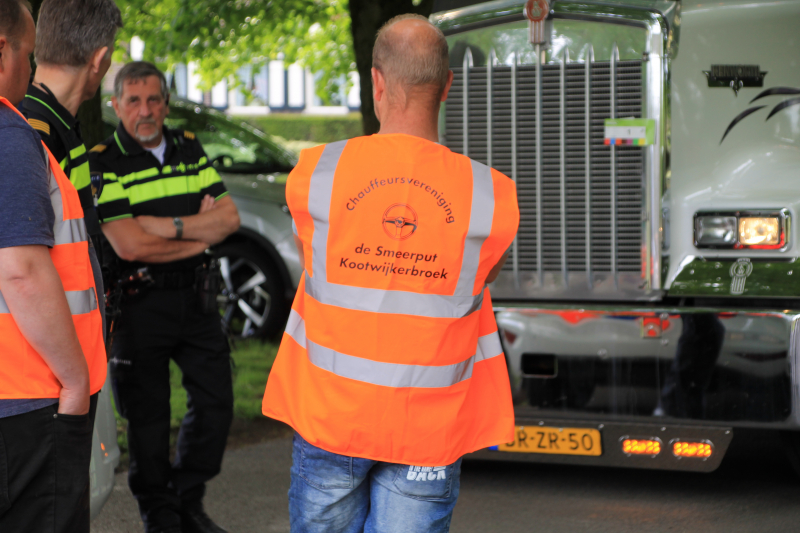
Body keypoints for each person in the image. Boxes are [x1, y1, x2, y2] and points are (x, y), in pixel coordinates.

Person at [262, 14, 520, 533]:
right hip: (428, 427)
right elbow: (484, 274)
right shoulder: (490, 196)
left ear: (376, 82)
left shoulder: (316, 175)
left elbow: (314, 257)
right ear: (446, 86)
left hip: (332, 419)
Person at [90, 61, 240, 533]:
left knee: (216, 405)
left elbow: (229, 218)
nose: (145, 110)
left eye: (153, 99)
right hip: (139, 305)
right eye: (133, 101)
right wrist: (197, 233)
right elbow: (129, 246)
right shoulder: (103, 161)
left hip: (196, 301)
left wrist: (163, 226)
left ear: (166, 104)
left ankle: (187, 500)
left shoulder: (188, 147)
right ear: (116, 106)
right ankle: (161, 517)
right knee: (148, 422)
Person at [0, 1, 106, 531]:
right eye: (28, 54)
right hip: (28, 399)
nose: (31, 69)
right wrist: (74, 381)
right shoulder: (10, 134)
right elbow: (20, 269)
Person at [20, 0, 122, 341]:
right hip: (52, 348)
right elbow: (25, 268)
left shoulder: (56, 124)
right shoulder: (35, 133)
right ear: (99, 59)